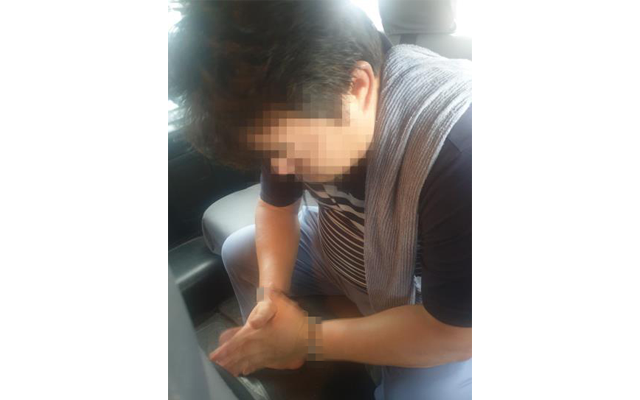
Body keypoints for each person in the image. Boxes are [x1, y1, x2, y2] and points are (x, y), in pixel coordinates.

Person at [169, 1, 472, 399]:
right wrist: (271, 297)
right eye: (271, 153)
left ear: (358, 87)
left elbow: (457, 334)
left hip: (427, 293)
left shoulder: (457, 155)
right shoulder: (289, 100)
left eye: (291, 151)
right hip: (344, 243)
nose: (281, 167)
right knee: (240, 252)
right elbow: (275, 209)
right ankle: (272, 347)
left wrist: (307, 339)